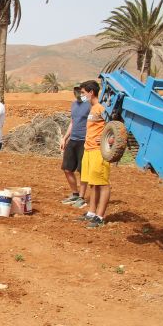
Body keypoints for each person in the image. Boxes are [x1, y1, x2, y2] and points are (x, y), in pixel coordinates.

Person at [77, 80, 111, 228]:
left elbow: (117, 126)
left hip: (99, 151)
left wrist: (110, 139)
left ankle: (100, 216)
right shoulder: (92, 109)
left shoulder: (101, 109)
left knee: (102, 184)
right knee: (93, 183)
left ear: (91, 93)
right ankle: (91, 212)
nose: (81, 96)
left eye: (83, 93)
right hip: (89, 150)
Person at [60, 85, 91, 208]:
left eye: (80, 92)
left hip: (84, 141)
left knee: (82, 171)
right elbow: (72, 122)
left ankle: (82, 198)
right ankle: (75, 194)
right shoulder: (74, 105)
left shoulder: (90, 105)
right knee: (67, 169)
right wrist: (65, 138)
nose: (77, 94)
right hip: (72, 140)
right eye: (76, 91)